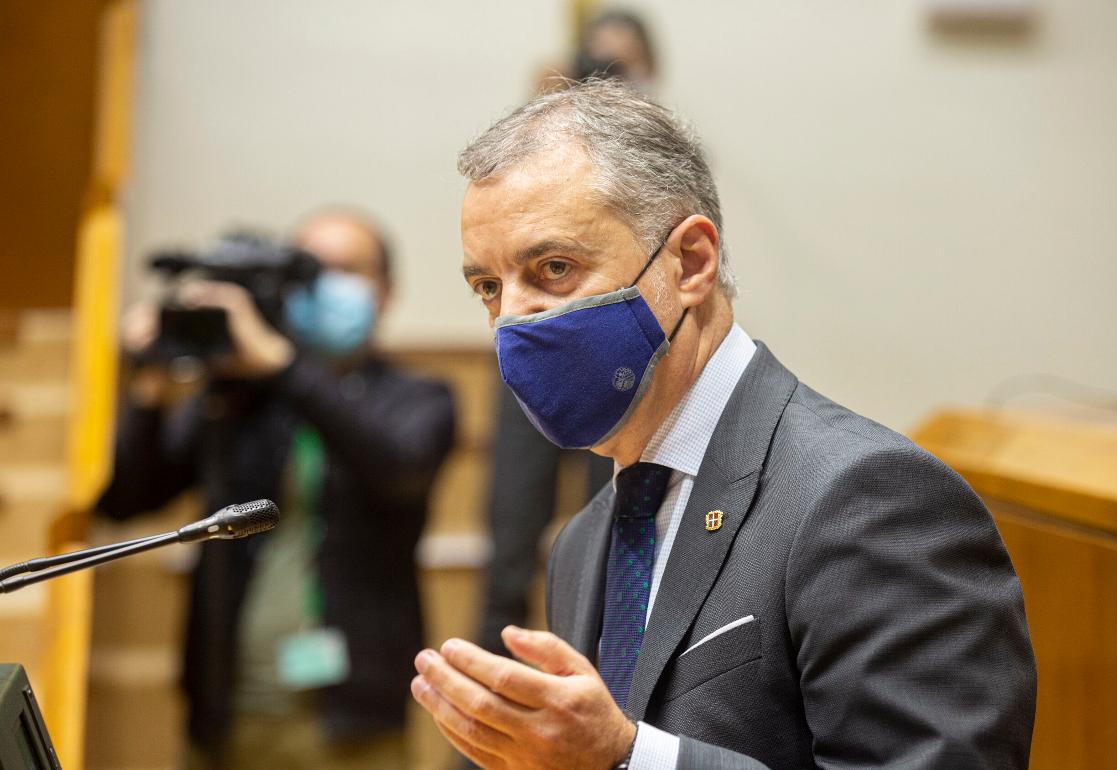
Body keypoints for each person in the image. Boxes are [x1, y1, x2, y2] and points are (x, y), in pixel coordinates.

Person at [409, 80, 1036, 769]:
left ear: (691, 263)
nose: (513, 319)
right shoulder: (583, 542)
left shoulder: (869, 497)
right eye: (488, 288)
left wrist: (629, 759)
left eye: (554, 268)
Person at [97, 209, 456, 768]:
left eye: (345, 268)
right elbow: (126, 502)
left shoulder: (417, 397)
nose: (322, 284)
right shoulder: (239, 399)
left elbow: (399, 472)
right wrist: (151, 384)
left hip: (352, 721)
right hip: (226, 711)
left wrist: (284, 364)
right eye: (308, 269)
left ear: (386, 290)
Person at [476, 6, 659, 662]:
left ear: (652, 73)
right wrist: (544, 117)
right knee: (509, 546)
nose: (604, 82)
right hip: (534, 357)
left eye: (620, 69)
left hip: (623, 366)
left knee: (612, 540)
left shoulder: (667, 161)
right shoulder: (543, 143)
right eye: (594, 69)